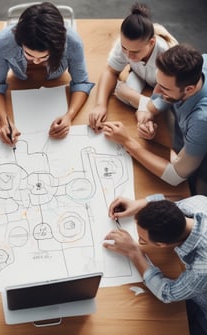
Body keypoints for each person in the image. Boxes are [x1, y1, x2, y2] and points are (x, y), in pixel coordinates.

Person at [103, 44, 207, 195]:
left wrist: (127, 142)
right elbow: (156, 100)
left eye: (164, 88)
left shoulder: (201, 119)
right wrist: (147, 111)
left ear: (189, 89)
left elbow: (176, 175)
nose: (156, 91)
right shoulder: (198, 65)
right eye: (157, 82)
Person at [0, 2, 94, 145]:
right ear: (20, 41)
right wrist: (5, 121)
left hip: (56, 87)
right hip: (19, 86)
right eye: (29, 55)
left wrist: (69, 116)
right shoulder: (3, 42)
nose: (36, 62)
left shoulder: (73, 43)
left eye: (43, 57)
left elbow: (81, 83)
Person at [104, 194, 207, 335]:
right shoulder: (198, 203)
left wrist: (134, 253)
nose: (139, 240)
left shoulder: (201, 268)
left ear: (161, 245)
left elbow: (168, 293)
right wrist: (140, 203)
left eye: (142, 239)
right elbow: (170, 205)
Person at [89, 2, 177, 132]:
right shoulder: (126, 44)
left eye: (136, 52)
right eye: (125, 48)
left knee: (125, 94)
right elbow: (110, 71)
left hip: (164, 90)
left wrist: (130, 95)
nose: (129, 57)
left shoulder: (168, 55)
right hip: (139, 76)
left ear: (151, 42)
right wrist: (100, 105)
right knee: (123, 97)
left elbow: (169, 97)